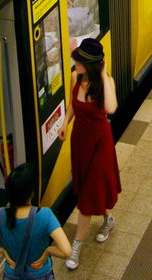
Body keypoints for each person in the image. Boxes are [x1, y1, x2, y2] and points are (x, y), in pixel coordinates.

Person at [58, 38, 121, 270]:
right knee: (90, 187)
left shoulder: (106, 83)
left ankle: (76, 245)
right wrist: (65, 123)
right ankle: (107, 219)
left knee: (87, 196)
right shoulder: (75, 77)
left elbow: (111, 108)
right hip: (80, 141)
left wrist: (104, 76)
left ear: (93, 65)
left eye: (80, 60)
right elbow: (73, 105)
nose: (75, 62)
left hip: (100, 143)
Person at [0, 163, 72, 279]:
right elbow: (67, 252)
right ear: (31, 193)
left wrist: (2, 250)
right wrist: (48, 250)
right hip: (40, 274)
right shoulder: (45, 215)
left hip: (12, 274)